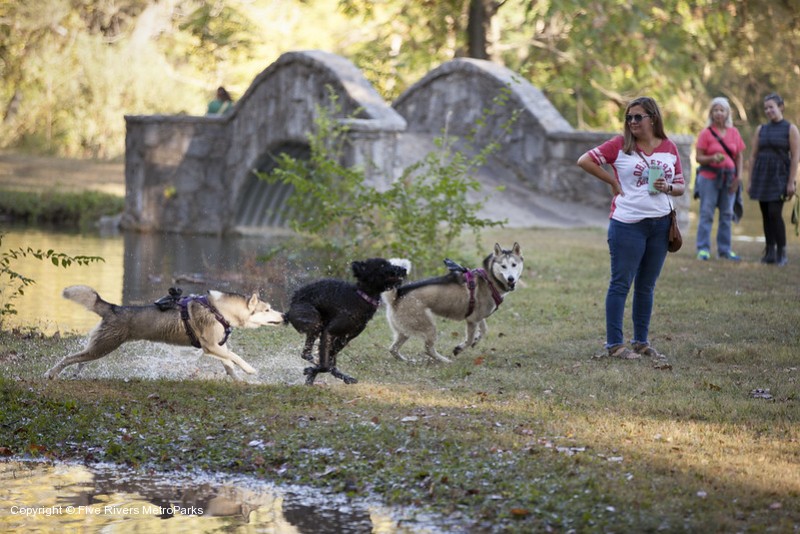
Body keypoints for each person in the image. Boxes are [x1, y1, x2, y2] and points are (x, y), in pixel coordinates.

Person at [577, 96, 685, 363]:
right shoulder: (620, 145)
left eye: (638, 117)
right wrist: (611, 181)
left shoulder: (669, 148)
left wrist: (667, 187)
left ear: (653, 118)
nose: (633, 122)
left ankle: (641, 342)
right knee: (620, 284)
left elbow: (681, 185)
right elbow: (585, 160)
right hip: (627, 225)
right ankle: (615, 344)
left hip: (660, 226)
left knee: (646, 286)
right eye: (629, 117)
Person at [748, 93, 799, 266]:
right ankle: (769, 252)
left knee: (774, 213)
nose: (768, 110)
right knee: (765, 214)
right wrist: (750, 181)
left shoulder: (790, 128)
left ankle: (781, 252)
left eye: (772, 107)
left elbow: (795, 157)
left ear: (781, 107)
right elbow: (753, 156)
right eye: (766, 108)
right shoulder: (761, 129)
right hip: (762, 177)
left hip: (780, 177)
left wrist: (791, 182)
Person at [694, 97, 746, 261]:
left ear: (727, 113)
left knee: (726, 214)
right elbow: (698, 158)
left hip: (729, 179)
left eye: (721, 110)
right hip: (708, 178)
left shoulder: (734, 133)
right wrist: (711, 159)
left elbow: (738, 156)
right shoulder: (706, 133)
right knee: (706, 213)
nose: (718, 113)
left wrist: (738, 177)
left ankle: (724, 250)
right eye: (715, 110)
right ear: (711, 113)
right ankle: (703, 249)